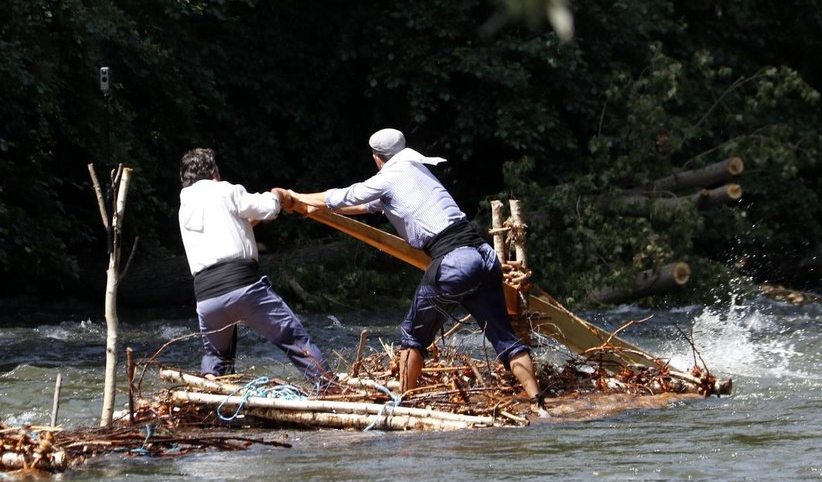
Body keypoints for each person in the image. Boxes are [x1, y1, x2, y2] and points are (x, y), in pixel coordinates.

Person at [287, 129, 547, 415]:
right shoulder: (416, 168)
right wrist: (308, 207)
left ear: (376, 158)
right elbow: (365, 205)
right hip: (483, 256)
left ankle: (404, 405)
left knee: (412, 336)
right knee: (504, 338)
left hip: (454, 261)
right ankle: (537, 400)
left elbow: (342, 197)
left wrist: (295, 195)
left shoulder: (388, 177)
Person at [176, 147, 331, 382]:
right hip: (244, 289)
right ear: (214, 172)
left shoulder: (185, 206)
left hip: (207, 300)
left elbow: (228, 228)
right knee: (293, 338)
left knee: (217, 356)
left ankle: (207, 398)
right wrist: (278, 195)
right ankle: (329, 387)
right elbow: (268, 205)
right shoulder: (226, 190)